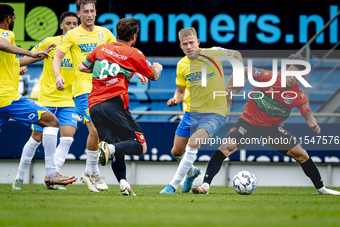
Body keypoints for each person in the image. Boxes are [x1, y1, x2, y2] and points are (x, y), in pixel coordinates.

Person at [192, 54, 340, 195]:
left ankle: (321, 189)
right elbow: (241, 70)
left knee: (301, 154)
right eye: (291, 74)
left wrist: (313, 124)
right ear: (285, 69)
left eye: (298, 76)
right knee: (225, 148)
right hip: (248, 124)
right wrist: (229, 89)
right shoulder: (267, 77)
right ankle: (205, 185)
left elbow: (309, 117)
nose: (292, 79)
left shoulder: (298, 96)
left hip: (271, 130)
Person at [79, 17, 163, 196]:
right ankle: (108, 150)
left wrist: (116, 71)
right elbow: (154, 76)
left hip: (94, 105)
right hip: (113, 103)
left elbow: (82, 67)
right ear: (134, 36)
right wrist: (158, 67)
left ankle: (124, 183)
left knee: (118, 145)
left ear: (117, 33)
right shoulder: (134, 53)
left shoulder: (102, 48)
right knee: (140, 147)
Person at [0, 4, 77, 189]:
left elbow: (15, 61)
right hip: (7, 98)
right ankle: (51, 174)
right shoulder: (6, 34)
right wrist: (29, 51)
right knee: (51, 122)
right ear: (8, 18)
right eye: (14, 17)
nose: (15, 21)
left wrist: (39, 56)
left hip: (6, 98)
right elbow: (2, 44)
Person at [159, 27, 243, 194]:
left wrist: (230, 87)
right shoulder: (182, 65)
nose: (189, 46)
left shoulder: (213, 53)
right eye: (185, 44)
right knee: (176, 151)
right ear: (181, 46)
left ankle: (173, 185)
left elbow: (237, 56)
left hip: (215, 113)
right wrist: (175, 99)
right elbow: (181, 91)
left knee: (193, 142)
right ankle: (192, 173)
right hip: (191, 113)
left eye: (191, 43)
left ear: (198, 42)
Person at [53, 0, 116, 192]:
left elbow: (120, 52)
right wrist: (57, 76)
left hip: (104, 89)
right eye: (85, 12)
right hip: (83, 90)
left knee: (100, 133)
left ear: (96, 12)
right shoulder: (72, 35)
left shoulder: (104, 33)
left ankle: (90, 172)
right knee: (95, 130)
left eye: (92, 11)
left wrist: (139, 71)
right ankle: (93, 173)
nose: (89, 15)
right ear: (79, 13)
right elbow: (57, 58)